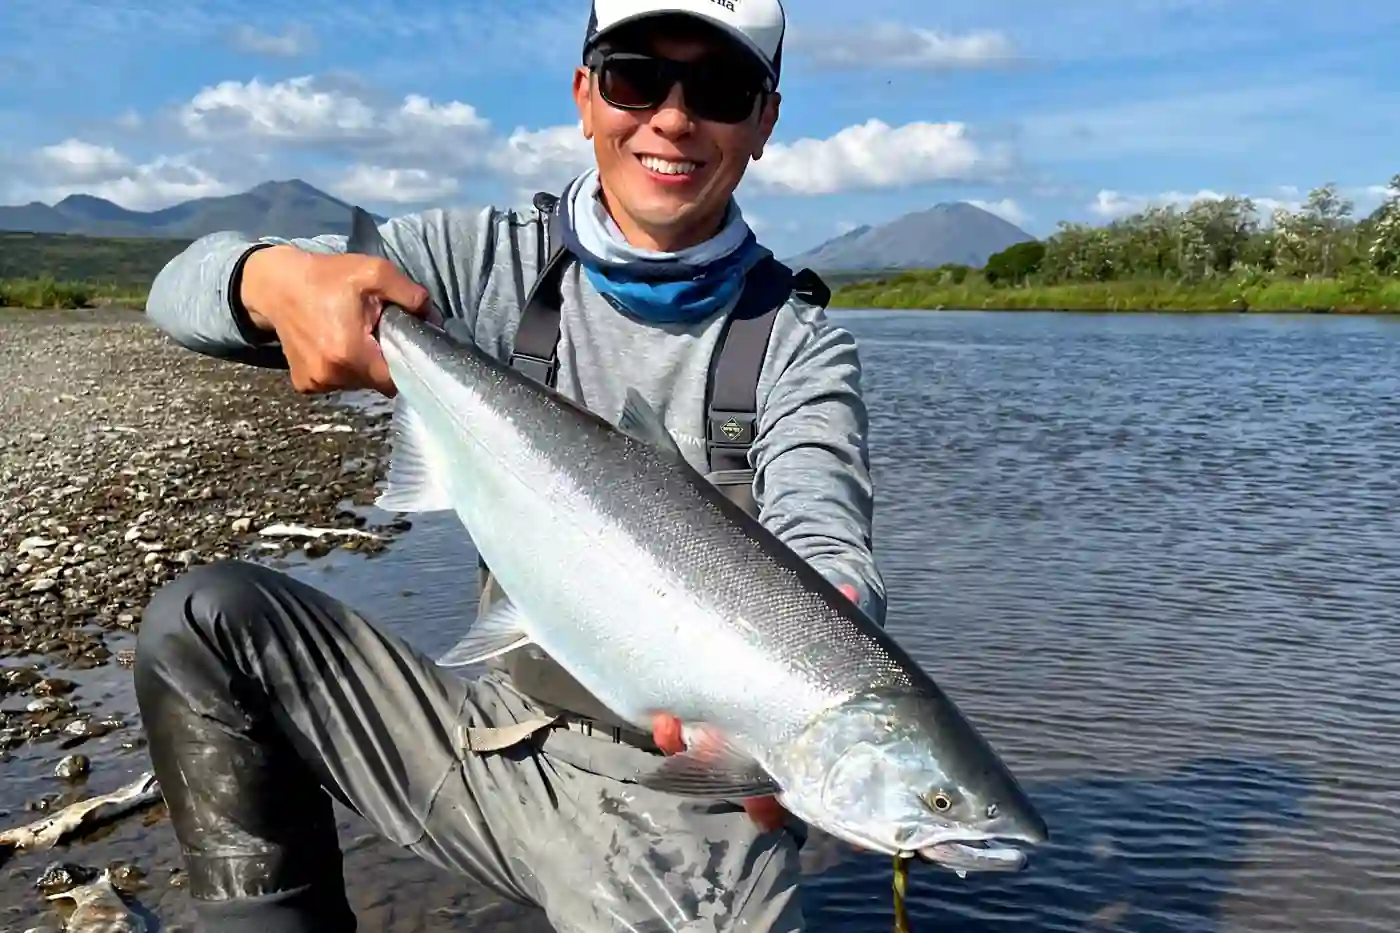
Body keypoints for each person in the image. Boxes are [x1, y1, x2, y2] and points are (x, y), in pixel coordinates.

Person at [133, 1, 887, 930]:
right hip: (486, 738)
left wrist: (836, 646)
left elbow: (826, 531)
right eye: (637, 77)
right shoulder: (474, 261)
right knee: (206, 622)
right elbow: (179, 293)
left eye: (722, 89)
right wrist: (275, 279)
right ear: (585, 95)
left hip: (689, 805)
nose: (675, 117)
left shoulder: (800, 348)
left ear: (765, 122)